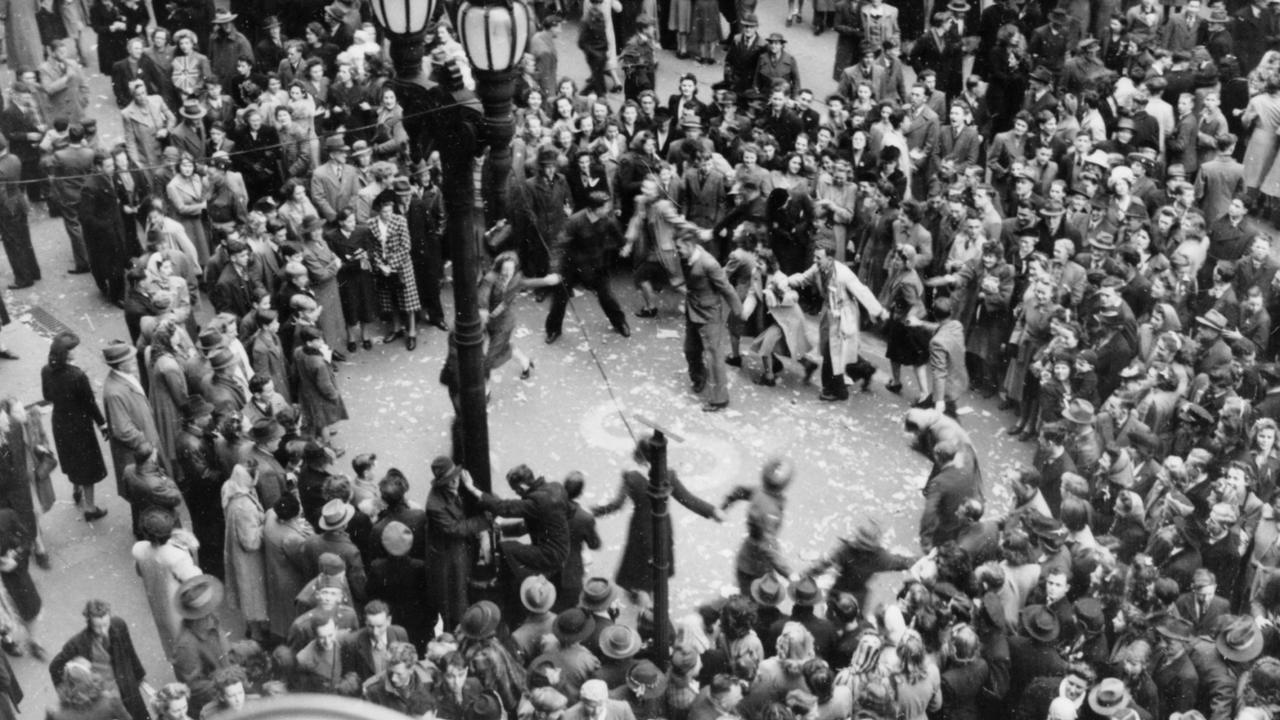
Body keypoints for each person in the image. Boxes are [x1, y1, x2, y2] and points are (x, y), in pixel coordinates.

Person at [592, 434, 722, 605]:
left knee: (636, 558)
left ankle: (638, 590)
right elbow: (687, 499)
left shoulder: (631, 477)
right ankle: (650, 589)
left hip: (640, 525)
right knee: (659, 557)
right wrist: (712, 511)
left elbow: (617, 504)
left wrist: (596, 511)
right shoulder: (668, 475)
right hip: (662, 524)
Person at [788, 239, 887, 401]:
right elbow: (803, 278)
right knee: (834, 349)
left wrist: (879, 311)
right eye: (815, 257)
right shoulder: (817, 268)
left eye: (818, 258)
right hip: (829, 311)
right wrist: (785, 281)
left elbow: (862, 292)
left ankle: (835, 390)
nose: (815, 261)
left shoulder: (844, 274)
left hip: (845, 313)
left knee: (831, 350)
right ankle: (864, 369)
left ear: (830, 259)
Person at [546, 191, 631, 342]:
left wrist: (624, 246)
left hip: (596, 265)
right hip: (572, 266)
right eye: (605, 207)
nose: (608, 209)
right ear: (595, 208)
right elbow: (559, 246)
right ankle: (553, 330)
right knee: (559, 299)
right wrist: (555, 270)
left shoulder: (607, 220)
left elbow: (619, 238)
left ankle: (620, 323)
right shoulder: (574, 221)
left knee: (607, 296)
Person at [41, 332, 109, 520]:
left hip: (60, 422)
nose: (75, 351)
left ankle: (76, 487)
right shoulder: (77, 375)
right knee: (87, 465)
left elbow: (47, 396)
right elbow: (90, 404)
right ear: (66, 353)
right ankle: (90, 507)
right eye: (72, 349)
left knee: (71, 458)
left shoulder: (46, 370)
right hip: (79, 424)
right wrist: (102, 424)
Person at [48, 600, 148, 720]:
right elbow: (54, 667)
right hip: (101, 698)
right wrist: (67, 693)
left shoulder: (118, 625)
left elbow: (130, 651)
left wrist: (139, 676)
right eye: (98, 627)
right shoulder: (77, 644)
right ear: (89, 623)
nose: (103, 631)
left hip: (126, 688)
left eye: (106, 625)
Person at [425, 456, 490, 631]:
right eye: (449, 478)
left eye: (456, 475)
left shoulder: (455, 490)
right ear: (441, 482)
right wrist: (483, 522)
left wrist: (471, 487)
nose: (455, 481)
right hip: (449, 557)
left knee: (463, 593)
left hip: (461, 549)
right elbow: (455, 529)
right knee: (456, 600)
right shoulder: (434, 505)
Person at [0, 134, 38, 290]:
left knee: (13, 243)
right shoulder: (14, 158)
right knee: (25, 239)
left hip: (7, 207)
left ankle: (23, 278)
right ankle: (33, 271)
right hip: (19, 201)